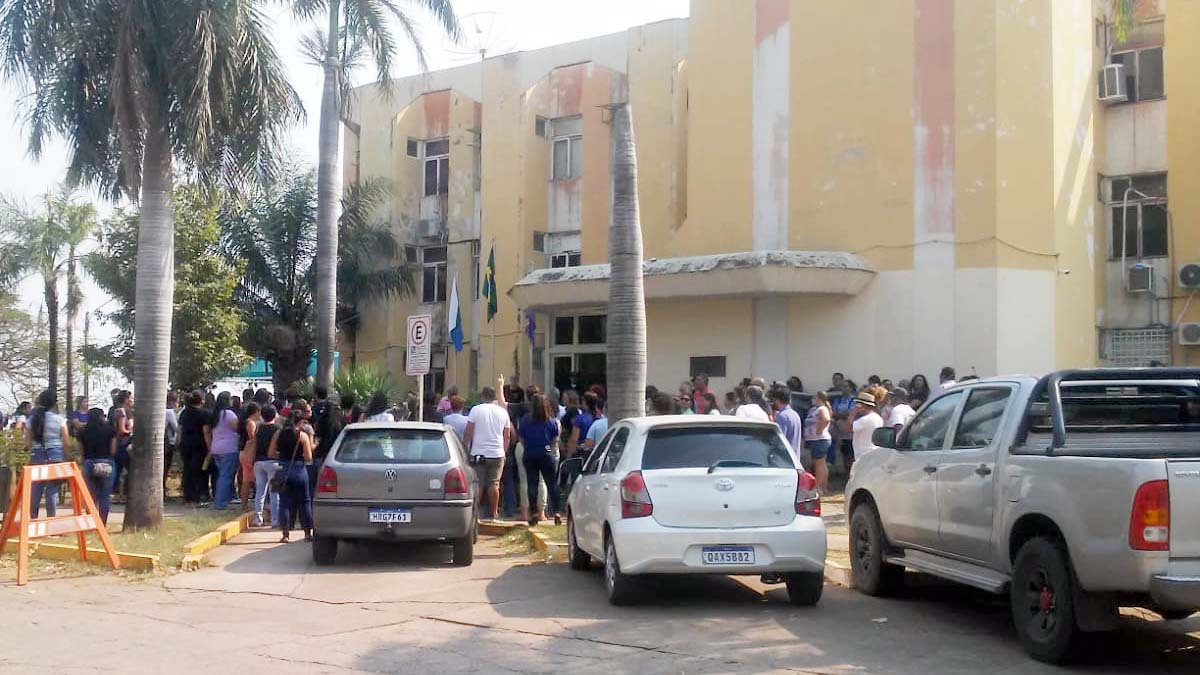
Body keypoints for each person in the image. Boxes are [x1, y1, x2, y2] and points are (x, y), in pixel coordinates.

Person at [464, 384, 512, 521]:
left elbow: (468, 432)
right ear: (494, 397)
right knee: (494, 484)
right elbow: (507, 435)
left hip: (479, 453)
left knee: (478, 483)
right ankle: (494, 512)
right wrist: (504, 451)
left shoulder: (475, 410)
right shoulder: (503, 412)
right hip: (497, 453)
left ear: (482, 396)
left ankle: (475, 513)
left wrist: (464, 448)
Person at [268, 405, 314, 543]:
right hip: (300, 470)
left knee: (284, 502)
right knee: (305, 502)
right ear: (300, 422)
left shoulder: (278, 433)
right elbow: (308, 458)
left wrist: (282, 457)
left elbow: (270, 453)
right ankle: (307, 533)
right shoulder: (302, 435)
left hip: (283, 469)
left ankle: (285, 534)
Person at [518, 394, 563, 526]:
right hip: (546, 452)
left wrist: (529, 446)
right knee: (552, 484)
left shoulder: (525, 420)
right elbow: (555, 440)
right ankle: (557, 512)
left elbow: (521, 439)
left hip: (530, 453)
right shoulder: (551, 421)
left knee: (532, 483)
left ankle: (534, 513)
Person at [25, 389, 69, 519]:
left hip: (37, 455)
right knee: (52, 491)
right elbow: (66, 442)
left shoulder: (31, 420)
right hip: (55, 455)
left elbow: (27, 444)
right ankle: (51, 520)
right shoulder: (60, 419)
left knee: (35, 490)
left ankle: (33, 519)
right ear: (54, 404)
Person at [79, 407, 117, 523]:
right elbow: (113, 450)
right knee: (104, 496)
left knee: (91, 496)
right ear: (102, 416)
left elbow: (81, 451)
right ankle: (102, 524)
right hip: (105, 462)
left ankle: (91, 522)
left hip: (89, 462)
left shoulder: (83, 431)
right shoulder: (110, 430)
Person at [204, 392, 241, 510]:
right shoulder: (229, 414)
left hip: (216, 448)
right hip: (229, 448)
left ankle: (226, 497)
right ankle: (220, 502)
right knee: (226, 476)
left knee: (223, 474)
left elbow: (206, 431)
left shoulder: (214, 415)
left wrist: (210, 446)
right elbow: (237, 428)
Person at [251, 405, 282, 527]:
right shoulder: (278, 428)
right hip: (274, 462)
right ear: (274, 415)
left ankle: (258, 518)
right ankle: (275, 520)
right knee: (275, 492)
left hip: (259, 462)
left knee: (260, 491)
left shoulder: (258, 428)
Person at [178, 391, 210, 505]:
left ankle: (187, 496)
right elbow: (206, 431)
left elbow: (180, 429)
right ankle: (197, 496)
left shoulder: (184, 413)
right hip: (199, 445)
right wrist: (209, 446)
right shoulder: (204, 414)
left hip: (185, 444)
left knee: (187, 470)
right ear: (202, 400)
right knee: (198, 471)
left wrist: (179, 442)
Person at [804, 390, 833, 495]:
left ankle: (818, 488)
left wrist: (820, 429)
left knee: (818, 464)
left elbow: (826, 419)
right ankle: (823, 487)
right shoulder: (813, 409)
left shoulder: (822, 409)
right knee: (821, 463)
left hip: (819, 439)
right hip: (814, 439)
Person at [108, 390, 134, 500]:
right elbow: (121, 429)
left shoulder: (124, 411)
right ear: (126, 399)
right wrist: (132, 432)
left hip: (121, 443)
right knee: (126, 468)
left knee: (119, 470)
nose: (132, 400)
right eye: (131, 398)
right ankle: (120, 494)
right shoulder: (121, 412)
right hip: (122, 443)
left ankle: (119, 494)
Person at [848, 390, 883, 466]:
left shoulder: (864, 420)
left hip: (863, 454)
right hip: (873, 452)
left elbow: (848, 429)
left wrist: (852, 413)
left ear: (863, 406)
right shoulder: (878, 418)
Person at [238, 402, 262, 512]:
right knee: (256, 479)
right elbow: (253, 438)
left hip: (243, 452)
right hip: (249, 453)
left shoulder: (244, 422)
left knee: (246, 480)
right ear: (256, 411)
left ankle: (244, 505)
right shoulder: (251, 423)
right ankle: (258, 505)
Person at [565, 392, 600, 458]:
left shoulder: (580, 419)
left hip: (583, 453)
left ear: (585, 403)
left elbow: (574, 439)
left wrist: (568, 456)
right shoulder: (600, 419)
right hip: (597, 452)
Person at [769, 389, 803, 456]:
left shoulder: (782, 416)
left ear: (777, 400)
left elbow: (778, 439)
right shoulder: (795, 414)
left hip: (784, 458)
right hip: (794, 456)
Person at [164, 392, 180, 492]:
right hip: (169, 442)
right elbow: (176, 428)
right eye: (177, 402)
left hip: (164, 441)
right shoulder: (169, 412)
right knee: (166, 466)